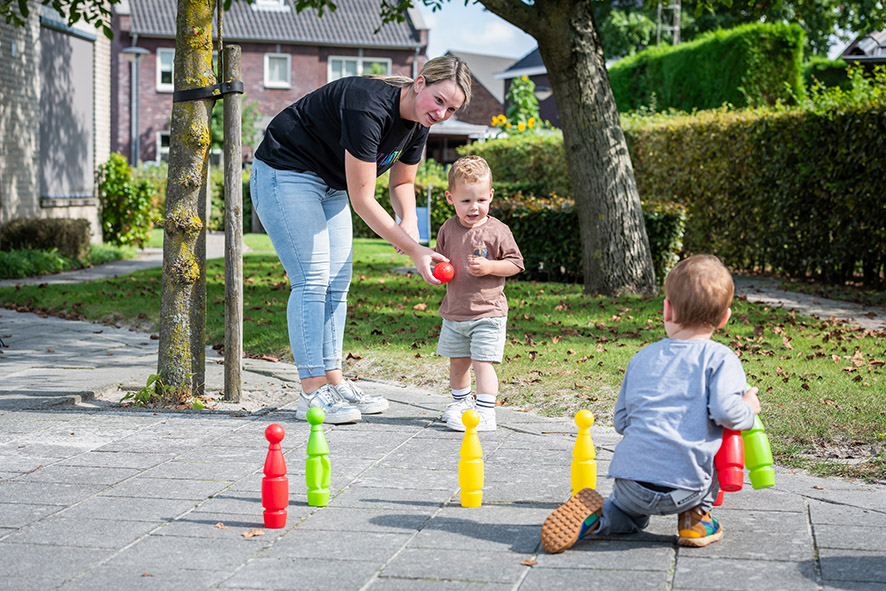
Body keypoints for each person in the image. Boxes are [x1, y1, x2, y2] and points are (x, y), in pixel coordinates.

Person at [250, 56, 472, 424]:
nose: (443, 113)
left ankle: (333, 381)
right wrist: (415, 250)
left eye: (452, 108)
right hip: (286, 170)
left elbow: (402, 183)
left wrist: (409, 224)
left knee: (338, 282)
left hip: (330, 183)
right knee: (312, 279)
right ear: (420, 83)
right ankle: (311, 391)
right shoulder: (367, 105)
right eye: (439, 101)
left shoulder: (418, 124)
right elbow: (364, 199)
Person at [540, 254, 762, 553]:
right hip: (686, 489)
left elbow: (621, 422)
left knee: (631, 516)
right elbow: (725, 412)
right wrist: (748, 407)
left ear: (667, 310)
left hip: (630, 483)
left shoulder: (642, 357)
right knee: (710, 454)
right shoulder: (721, 358)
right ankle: (695, 520)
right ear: (725, 319)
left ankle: (602, 518)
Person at [434, 155, 524, 432]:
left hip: (488, 312)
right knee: (458, 364)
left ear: (491, 196)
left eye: (481, 200)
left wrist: (490, 266)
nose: (475, 208)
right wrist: (437, 268)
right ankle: (461, 404)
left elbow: (516, 264)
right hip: (455, 311)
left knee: (483, 363)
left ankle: (485, 413)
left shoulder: (498, 230)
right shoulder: (448, 229)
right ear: (450, 198)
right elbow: (438, 259)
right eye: (466, 201)